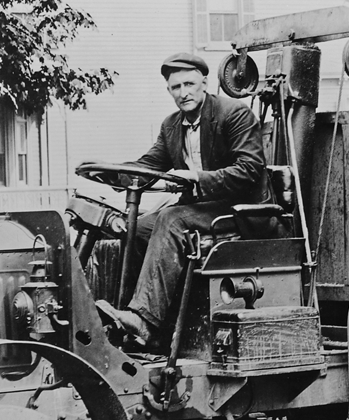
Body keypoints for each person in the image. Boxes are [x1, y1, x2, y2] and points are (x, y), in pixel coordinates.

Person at [96, 52, 264, 346]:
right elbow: (149, 165)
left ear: (205, 83)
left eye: (189, 84)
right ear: (169, 91)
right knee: (136, 229)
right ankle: (142, 326)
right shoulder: (171, 125)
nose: (183, 93)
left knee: (171, 219)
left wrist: (198, 178)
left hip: (238, 210)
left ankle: (144, 320)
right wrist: (113, 173)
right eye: (176, 87)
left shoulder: (233, 113)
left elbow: (249, 171)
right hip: (198, 211)